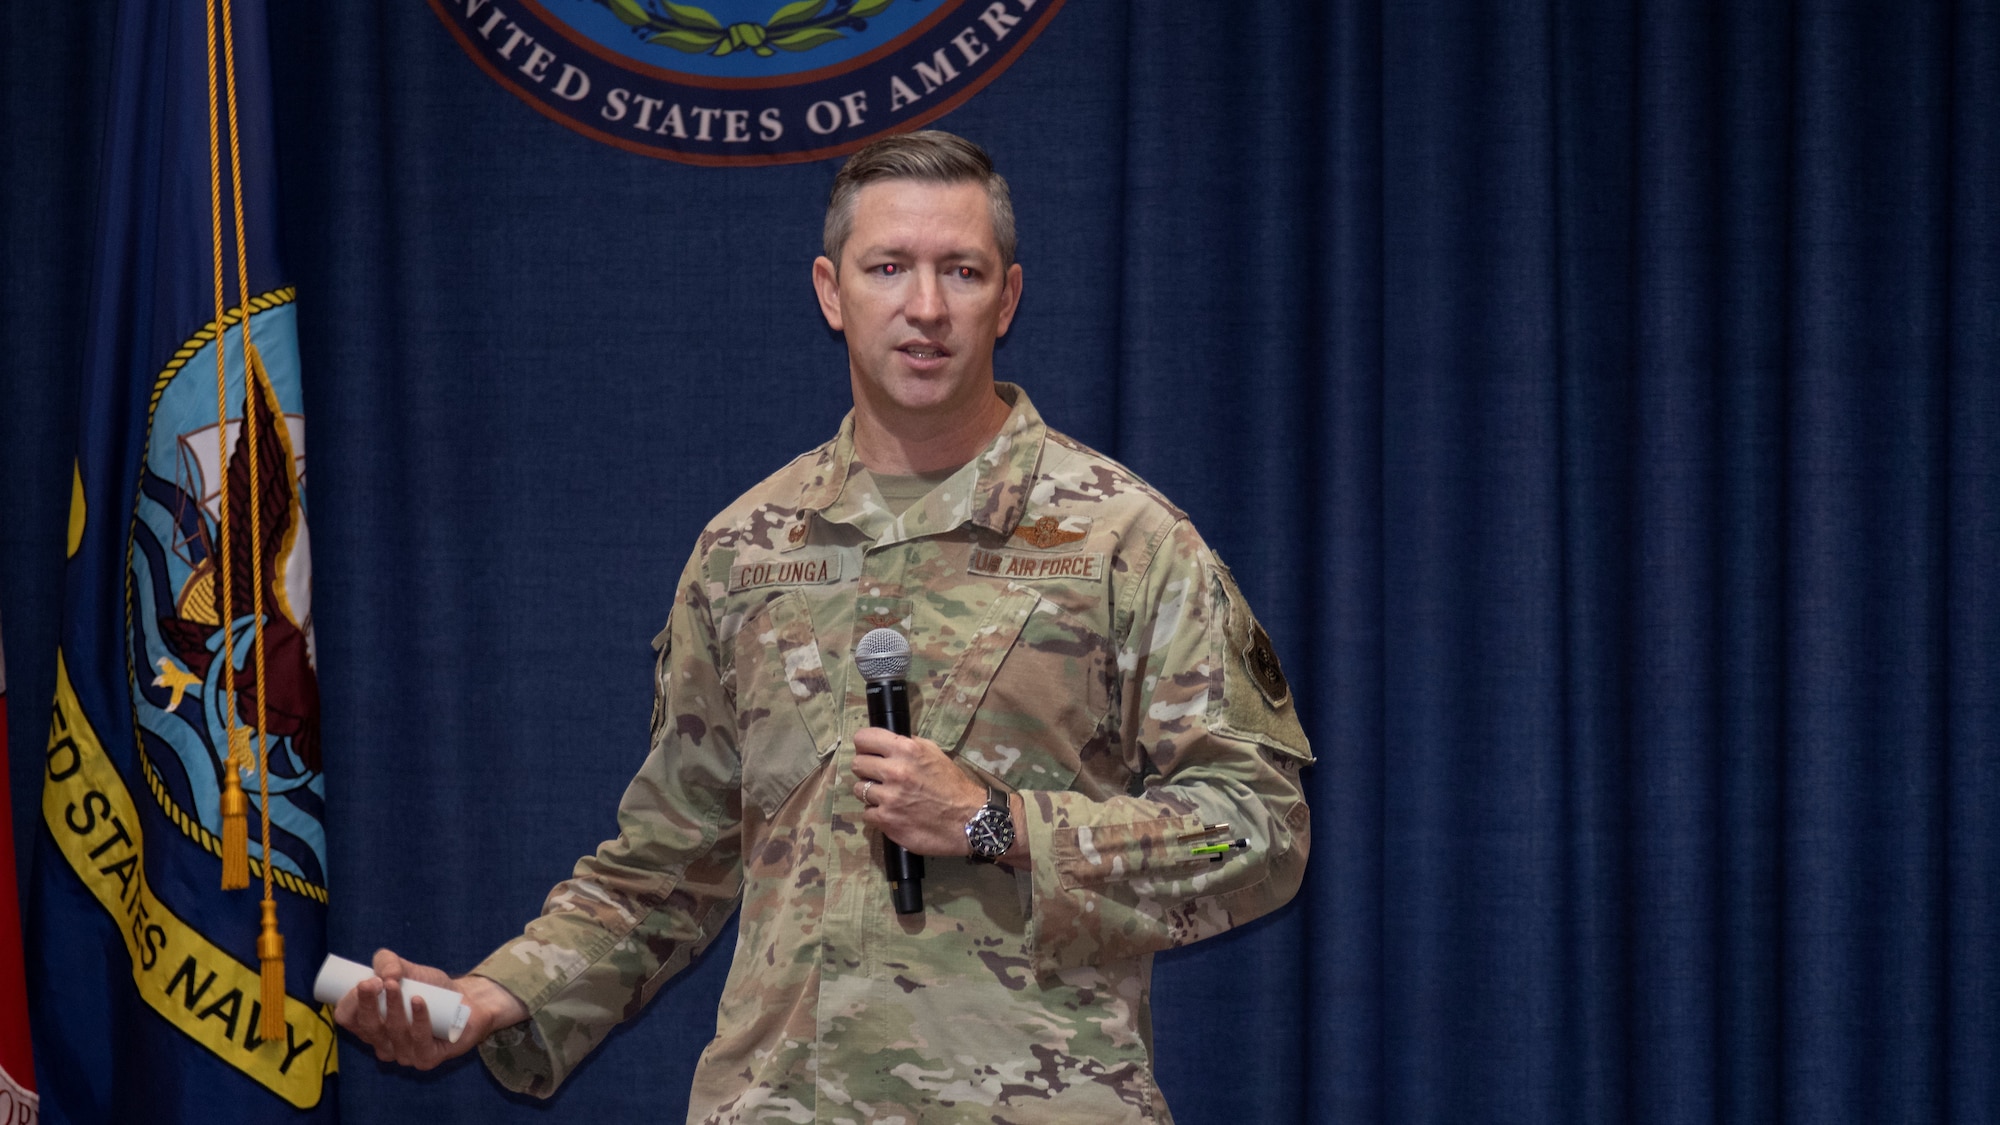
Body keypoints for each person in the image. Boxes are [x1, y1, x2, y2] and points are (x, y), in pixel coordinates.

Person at [334, 130, 1313, 1124]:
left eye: (959, 272)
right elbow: (674, 861)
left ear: (1006, 299)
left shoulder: (1122, 540)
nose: (923, 308)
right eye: (887, 268)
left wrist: (998, 825)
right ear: (828, 291)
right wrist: (495, 995)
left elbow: (1254, 835)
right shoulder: (745, 549)